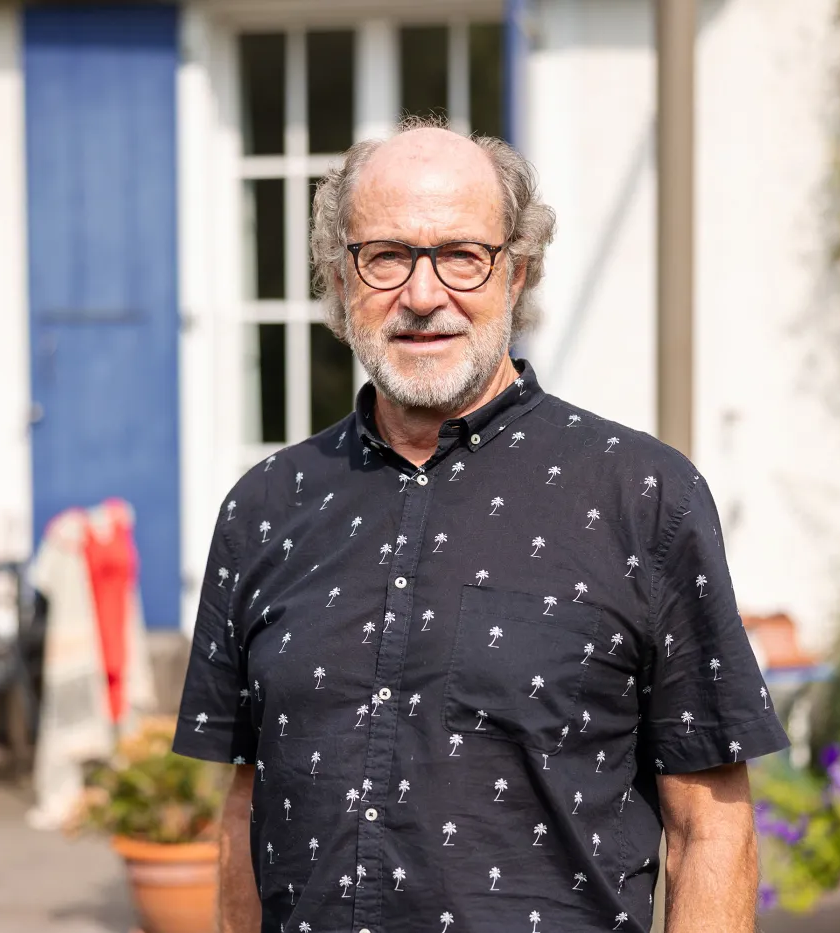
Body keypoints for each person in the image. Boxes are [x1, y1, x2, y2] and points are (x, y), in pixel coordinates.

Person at [172, 117, 789, 933]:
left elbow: (710, 824)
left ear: (516, 270)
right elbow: (246, 802)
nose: (423, 295)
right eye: (386, 256)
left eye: (462, 255)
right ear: (340, 274)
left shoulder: (642, 497)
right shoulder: (264, 508)